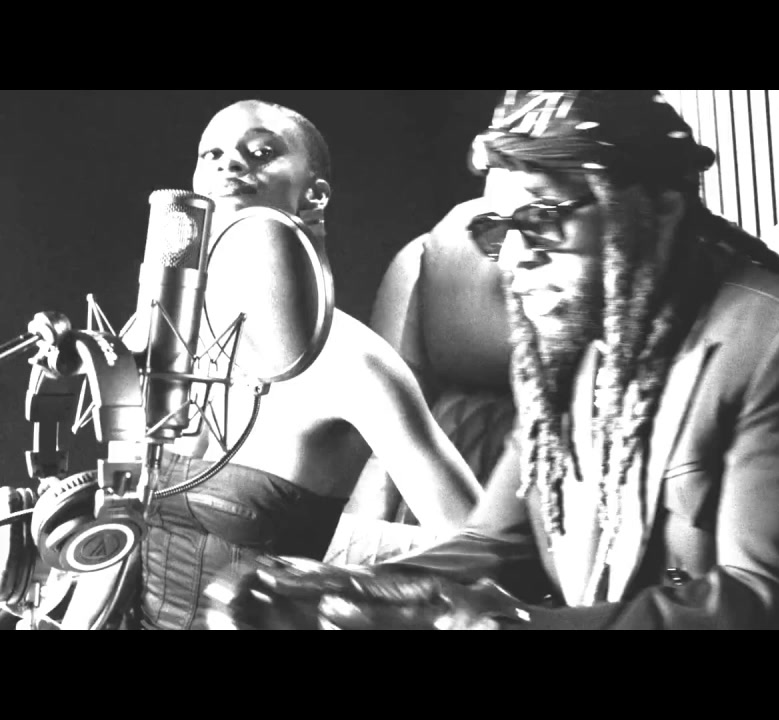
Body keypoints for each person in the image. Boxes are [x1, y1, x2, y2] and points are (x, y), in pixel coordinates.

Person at [207, 89, 779, 630]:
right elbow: (496, 544)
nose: (511, 258)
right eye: (495, 229)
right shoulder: (566, 349)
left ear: (655, 211)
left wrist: (510, 624)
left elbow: (763, 604)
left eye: (542, 217)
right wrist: (347, 591)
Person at [35, 99, 482, 630]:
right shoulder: (156, 331)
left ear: (314, 195)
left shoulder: (354, 363)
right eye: (212, 154)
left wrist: (345, 594)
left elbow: (478, 550)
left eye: (262, 153)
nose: (229, 163)